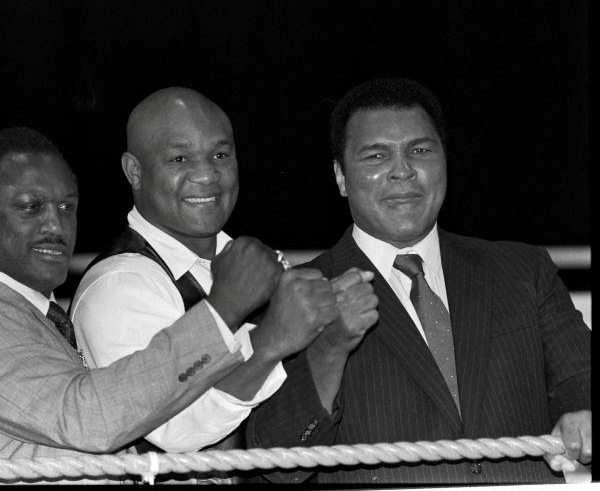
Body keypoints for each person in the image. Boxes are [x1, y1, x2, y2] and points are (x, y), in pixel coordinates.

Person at [0, 126, 330, 484]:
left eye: (66, 207)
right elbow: (92, 419)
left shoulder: (39, 320)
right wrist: (221, 311)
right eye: (31, 208)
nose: (55, 224)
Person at [246, 77, 592, 485]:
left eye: (420, 150)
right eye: (376, 156)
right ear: (340, 176)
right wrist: (329, 348)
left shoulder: (522, 269)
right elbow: (276, 467)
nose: (403, 171)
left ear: (445, 160)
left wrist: (581, 416)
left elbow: (580, 379)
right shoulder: (298, 293)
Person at [70, 87, 377, 482]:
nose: (206, 174)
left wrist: (328, 343)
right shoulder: (119, 286)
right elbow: (175, 430)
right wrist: (270, 340)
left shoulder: (247, 260)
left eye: (220, 154)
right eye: (179, 158)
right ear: (134, 171)